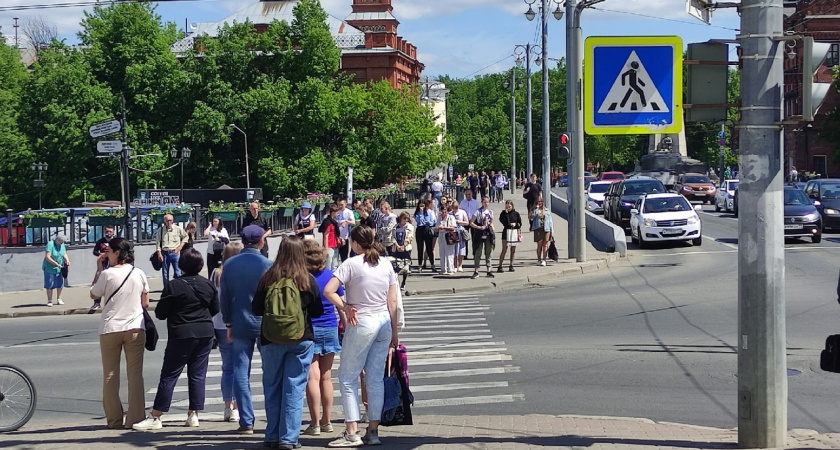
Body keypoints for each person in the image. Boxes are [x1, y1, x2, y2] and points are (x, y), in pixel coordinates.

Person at [323, 226, 399, 448]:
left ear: (356, 243)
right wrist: (395, 332)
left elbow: (328, 290)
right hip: (384, 322)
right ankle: (373, 431)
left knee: (347, 377)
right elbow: (392, 302)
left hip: (361, 321)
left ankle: (351, 431)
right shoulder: (386, 263)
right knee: (375, 378)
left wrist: (345, 306)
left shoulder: (351, 264)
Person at [133, 248, 219, 431]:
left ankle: (156, 416)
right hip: (205, 332)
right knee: (197, 375)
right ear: (200, 265)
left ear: (181, 265)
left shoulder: (174, 285)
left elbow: (161, 313)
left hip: (181, 333)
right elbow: (215, 308)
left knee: (170, 374)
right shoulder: (207, 284)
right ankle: (193, 414)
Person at [252, 237, 324, 450]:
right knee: (294, 388)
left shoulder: (267, 278)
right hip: (301, 339)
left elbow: (256, 309)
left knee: (272, 387)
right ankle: (289, 439)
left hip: (270, 339)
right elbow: (318, 311)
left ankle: (272, 435)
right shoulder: (306, 279)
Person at [89, 237, 150, 429]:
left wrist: (99, 269)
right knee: (135, 375)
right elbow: (146, 302)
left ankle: (114, 420)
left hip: (110, 329)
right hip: (134, 328)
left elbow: (94, 294)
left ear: (117, 253)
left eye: (109, 251)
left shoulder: (107, 274)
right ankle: (136, 419)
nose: (106, 254)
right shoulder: (139, 273)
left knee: (110, 375)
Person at [219, 224, 273, 434]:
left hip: (240, 322)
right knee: (270, 372)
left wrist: (228, 323)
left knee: (241, 372)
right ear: (262, 241)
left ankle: (246, 421)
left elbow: (224, 297)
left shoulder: (230, 265)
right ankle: (272, 420)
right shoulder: (268, 264)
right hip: (265, 324)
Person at [301, 240, 345, 437]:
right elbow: (340, 304)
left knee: (312, 376)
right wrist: (345, 326)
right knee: (326, 376)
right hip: (330, 327)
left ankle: (315, 423)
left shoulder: (302, 277)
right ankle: (327, 421)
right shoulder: (330, 275)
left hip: (310, 328)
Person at [210, 242, 244, 424]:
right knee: (240, 366)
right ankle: (237, 409)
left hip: (219, 323)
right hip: (238, 323)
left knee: (227, 367)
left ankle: (226, 407)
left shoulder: (216, 273)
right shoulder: (239, 272)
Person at [156, 214, 189, 289]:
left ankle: (178, 289)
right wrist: (159, 253)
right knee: (165, 274)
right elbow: (158, 243)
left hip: (175, 253)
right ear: (164, 221)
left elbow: (186, 236)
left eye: (170, 220)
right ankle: (167, 290)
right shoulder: (161, 230)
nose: (169, 222)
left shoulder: (178, 229)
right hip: (165, 253)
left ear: (173, 221)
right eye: (167, 220)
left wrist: (180, 247)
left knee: (178, 272)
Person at [469, 196, 495, 279]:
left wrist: (492, 227)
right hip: (479, 233)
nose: (486, 204)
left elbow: (492, 222)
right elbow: (471, 223)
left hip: (488, 233)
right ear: (482, 202)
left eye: (487, 202)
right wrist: (479, 227)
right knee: (478, 252)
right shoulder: (478, 211)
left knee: (488, 252)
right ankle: (476, 271)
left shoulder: (490, 212)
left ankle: (489, 270)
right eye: (484, 202)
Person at [91, 227, 116, 309]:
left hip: (114, 264)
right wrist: (100, 254)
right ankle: (97, 303)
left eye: (110, 231)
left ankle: (113, 302)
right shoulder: (100, 242)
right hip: (103, 264)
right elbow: (95, 251)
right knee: (99, 282)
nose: (108, 233)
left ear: (113, 232)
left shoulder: (116, 241)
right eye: (107, 231)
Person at [43, 234, 69, 307]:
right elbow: (48, 257)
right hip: (50, 267)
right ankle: (50, 300)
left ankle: (59, 299)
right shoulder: (50, 244)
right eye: (61, 242)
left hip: (59, 267)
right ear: (57, 240)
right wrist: (56, 264)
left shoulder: (62, 244)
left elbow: (64, 253)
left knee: (60, 283)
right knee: (50, 284)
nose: (62, 243)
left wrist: (67, 260)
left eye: (62, 242)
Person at [498, 200, 522, 272]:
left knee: (513, 250)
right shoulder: (503, 213)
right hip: (506, 231)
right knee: (504, 249)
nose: (508, 207)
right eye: (507, 205)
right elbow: (504, 222)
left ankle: (511, 265)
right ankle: (500, 266)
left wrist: (516, 224)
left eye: (510, 206)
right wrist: (507, 214)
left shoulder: (516, 213)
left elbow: (520, 223)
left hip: (514, 232)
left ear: (512, 206)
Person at [413, 199, 436, 272]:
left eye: (423, 205)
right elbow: (419, 221)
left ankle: (432, 264)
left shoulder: (429, 212)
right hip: (420, 229)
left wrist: (429, 222)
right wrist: (421, 212)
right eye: (420, 205)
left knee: (429, 248)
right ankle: (420, 264)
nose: (422, 207)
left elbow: (432, 222)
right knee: (420, 248)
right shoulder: (417, 213)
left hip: (427, 229)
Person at [531, 197, 554, 266]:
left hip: (546, 229)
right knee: (539, 245)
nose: (540, 203)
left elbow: (550, 221)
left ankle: (544, 260)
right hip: (538, 228)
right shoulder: (535, 210)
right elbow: (532, 218)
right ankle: (539, 260)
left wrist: (552, 231)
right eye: (538, 202)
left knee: (545, 245)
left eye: (541, 201)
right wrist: (536, 211)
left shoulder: (547, 210)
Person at [320, 203, 342, 271]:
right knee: (328, 265)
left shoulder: (334, 222)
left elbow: (335, 233)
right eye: (337, 213)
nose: (338, 214)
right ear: (333, 212)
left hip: (335, 245)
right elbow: (325, 236)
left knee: (335, 265)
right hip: (329, 246)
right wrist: (326, 249)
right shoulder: (328, 222)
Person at [437, 205, 458, 275]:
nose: (443, 211)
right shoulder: (439, 217)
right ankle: (443, 269)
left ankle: (450, 269)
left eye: (445, 210)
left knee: (449, 253)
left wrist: (444, 227)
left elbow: (453, 228)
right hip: (441, 235)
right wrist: (438, 228)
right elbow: (437, 227)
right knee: (442, 253)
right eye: (442, 210)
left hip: (448, 235)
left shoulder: (451, 217)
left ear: (447, 210)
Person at [450, 200, 470, 272]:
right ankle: (455, 265)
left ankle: (460, 265)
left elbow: (467, 222)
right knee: (454, 250)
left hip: (461, 232)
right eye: (454, 208)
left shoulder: (462, 212)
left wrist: (459, 222)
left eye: (456, 208)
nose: (455, 209)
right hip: (454, 232)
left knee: (461, 249)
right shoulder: (450, 213)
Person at [336, 195, 356, 262]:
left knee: (343, 257)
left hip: (344, 237)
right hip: (336, 237)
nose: (340, 206)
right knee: (334, 257)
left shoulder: (349, 212)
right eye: (338, 205)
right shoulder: (335, 211)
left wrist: (346, 221)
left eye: (341, 205)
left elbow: (353, 222)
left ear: (345, 204)